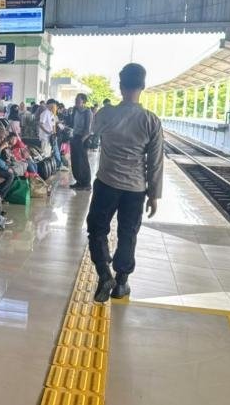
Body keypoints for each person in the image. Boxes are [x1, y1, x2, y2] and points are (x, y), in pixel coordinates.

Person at [86, 63, 163, 302]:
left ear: (120, 86)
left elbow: (93, 132)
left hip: (107, 183)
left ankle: (103, 273)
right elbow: (156, 160)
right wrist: (153, 194)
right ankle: (121, 283)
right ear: (142, 86)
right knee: (128, 233)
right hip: (136, 189)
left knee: (97, 229)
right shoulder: (151, 120)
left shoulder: (105, 114)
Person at [70, 93, 93, 191]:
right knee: (75, 161)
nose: (76, 101)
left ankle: (86, 183)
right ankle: (79, 181)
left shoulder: (87, 112)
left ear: (84, 101)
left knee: (82, 161)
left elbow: (88, 129)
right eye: (75, 99)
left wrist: (81, 141)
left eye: (78, 100)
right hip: (75, 136)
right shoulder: (75, 110)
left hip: (83, 138)